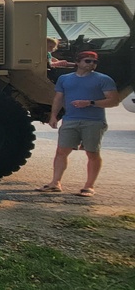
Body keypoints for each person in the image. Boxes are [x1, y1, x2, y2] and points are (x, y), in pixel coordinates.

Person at [38, 51, 119, 197]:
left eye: (94, 62)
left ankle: (89, 186)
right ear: (78, 62)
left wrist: (91, 103)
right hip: (70, 119)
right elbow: (58, 98)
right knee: (61, 152)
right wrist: (54, 116)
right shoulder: (65, 79)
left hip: (94, 121)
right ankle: (55, 183)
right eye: (88, 61)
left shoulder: (104, 79)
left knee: (92, 153)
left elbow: (113, 101)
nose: (92, 64)